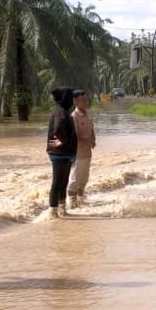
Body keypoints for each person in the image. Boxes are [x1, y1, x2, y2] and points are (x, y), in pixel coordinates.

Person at [45, 87, 78, 218]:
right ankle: (52, 211)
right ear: (66, 98)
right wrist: (63, 141)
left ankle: (62, 210)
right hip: (59, 153)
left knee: (63, 182)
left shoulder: (63, 111)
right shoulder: (60, 111)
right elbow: (58, 128)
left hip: (65, 153)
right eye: (71, 97)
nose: (73, 100)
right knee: (58, 182)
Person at [66, 88, 97, 210]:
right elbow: (74, 137)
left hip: (87, 153)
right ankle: (71, 204)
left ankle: (81, 201)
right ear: (76, 102)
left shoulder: (87, 114)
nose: (86, 102)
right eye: (83, 100)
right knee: (74, 179)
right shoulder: (74, 117)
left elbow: (92, 129)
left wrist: (93, 139)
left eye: (86, 100)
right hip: (77, 153)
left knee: (84, 179)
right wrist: (88, 142)